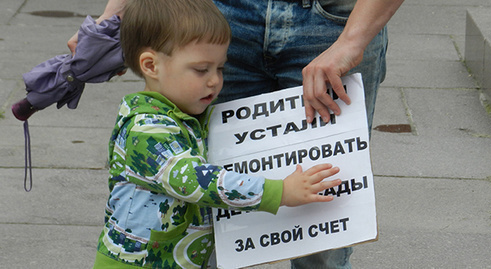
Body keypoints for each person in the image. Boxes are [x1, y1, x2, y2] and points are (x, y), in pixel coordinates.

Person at [70, 1, 404, 268]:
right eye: (202, 70)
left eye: (220, 68)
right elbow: (198, 180)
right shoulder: (146, 128)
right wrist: (279, 192)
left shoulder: (180, 115)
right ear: (151, 66)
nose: (215, 81)